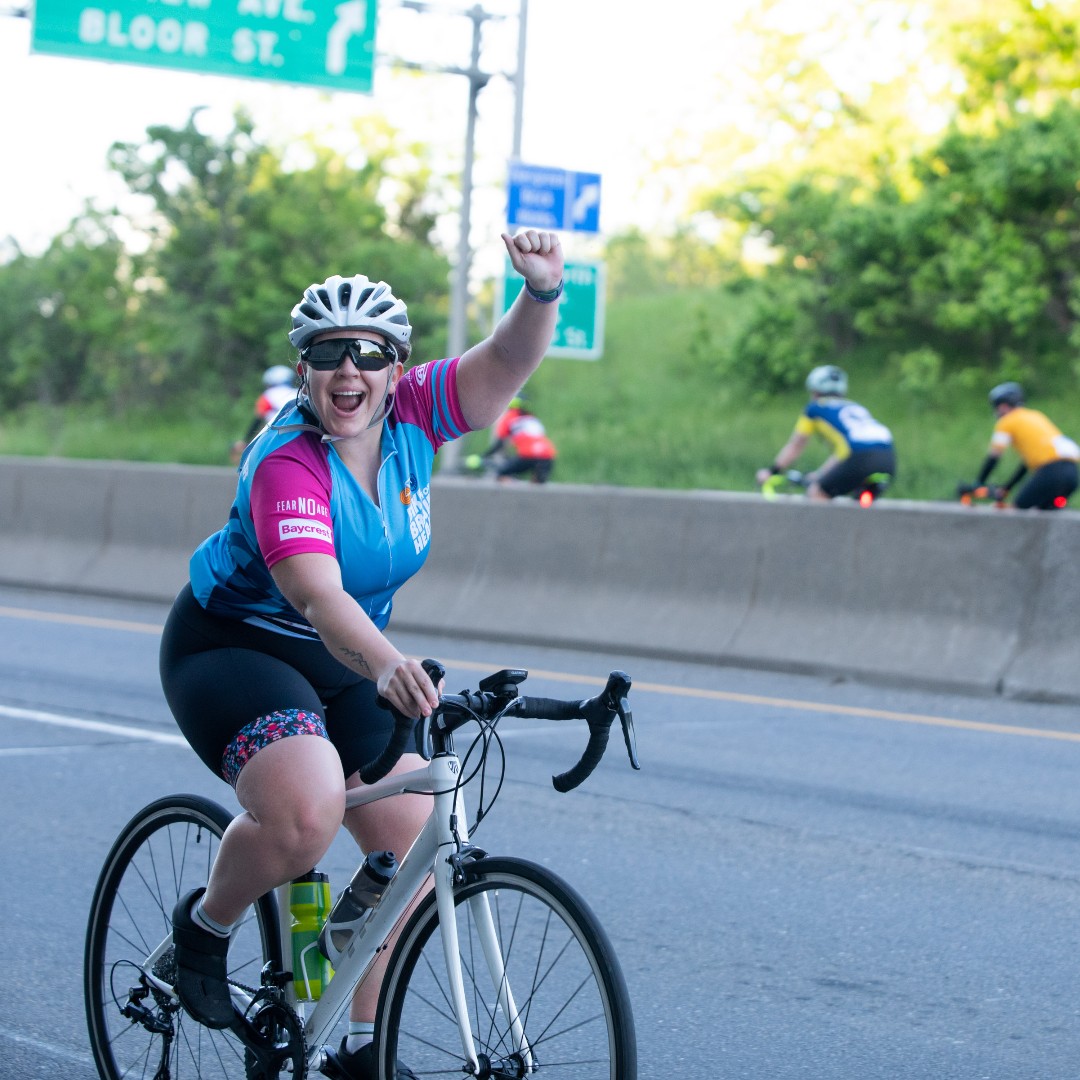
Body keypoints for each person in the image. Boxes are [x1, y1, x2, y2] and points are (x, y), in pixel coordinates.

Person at [159, 228, 564, 1080]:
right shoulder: (285, 461)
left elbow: (501, 369)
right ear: (303, 369)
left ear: (395, 366)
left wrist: (541, 295)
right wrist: (385, 664)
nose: (350, 372)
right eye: (328, 355)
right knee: (306, 816)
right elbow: (318, 596)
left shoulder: (415, 413)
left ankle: (354, 1044)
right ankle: (205, 930)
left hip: (344, 656)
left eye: (369, 355)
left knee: (409, 843)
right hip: (234, 645)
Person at [755, 365, 896, 501]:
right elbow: (843, 452)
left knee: (816, 494)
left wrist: (772, 472)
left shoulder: (815, 409)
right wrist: (821, 475)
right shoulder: (855, 407)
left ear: (815, 391)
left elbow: (796, 445)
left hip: (859, 456)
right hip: (888, 458)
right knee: (857, 502)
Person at [960, 382, 1080, 510]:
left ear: (1003, 406)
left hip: (1051, 472)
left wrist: (979, 482)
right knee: (1045, 509)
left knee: (1017, 509)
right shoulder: (1035, 415)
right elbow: (1025, 465)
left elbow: (994, 457)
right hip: (1072, 474)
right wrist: (1007, 487)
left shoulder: (1007, 421)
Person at [479, 395, 557, 483]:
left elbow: (500, 443)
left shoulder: (509, 417)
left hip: (528, 454)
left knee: (502, 473)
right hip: (547, 454)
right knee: (539, 484)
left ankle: (509, 495)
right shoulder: (532, 417)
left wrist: (484, 456)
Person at [230, 365, 297, 465]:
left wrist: (246, 440)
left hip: (276, 437)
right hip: (300, 435)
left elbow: (258, 420)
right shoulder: (298, 392)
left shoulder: (267, 396)